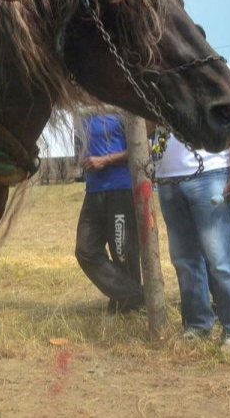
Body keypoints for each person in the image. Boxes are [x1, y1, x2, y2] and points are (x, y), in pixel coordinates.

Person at [155, 63, 230, 354]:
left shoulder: (222, 72)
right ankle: (198, 324)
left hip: (210, 173)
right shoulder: (157, 76)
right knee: (184, 260)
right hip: (169, 178)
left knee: (221, 258)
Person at [75, 112, 143, 314]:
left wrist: (105, 160)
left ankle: (126, 306)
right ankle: (137, 296)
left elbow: (140, 148)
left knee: (123, 252)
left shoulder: (121, 113)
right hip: (93, 190)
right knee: (85, 250)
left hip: (120, 188)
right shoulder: (82, 116)